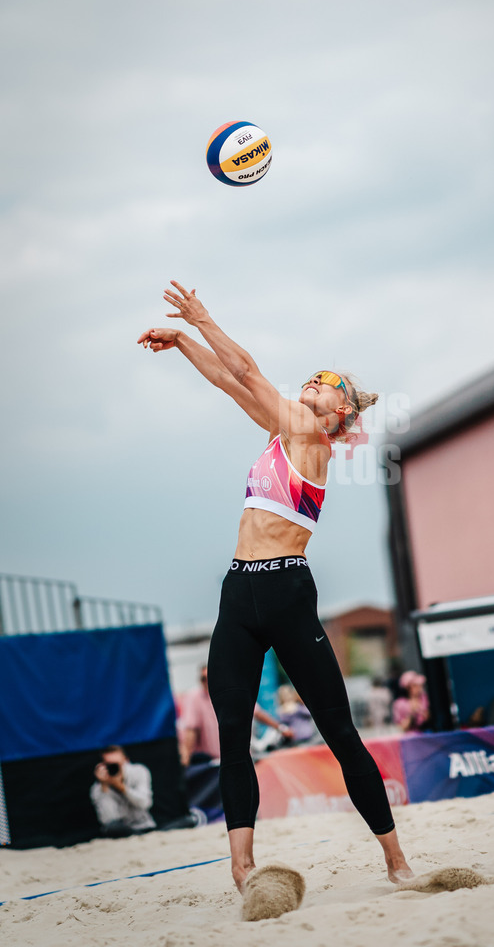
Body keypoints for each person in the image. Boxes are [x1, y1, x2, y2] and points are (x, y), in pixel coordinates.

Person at [138, 281, 414, 892]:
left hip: (287, 591)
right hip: (238, 594)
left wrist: (201, 318)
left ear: (340, 414)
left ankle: (396, 861)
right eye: (312, 377)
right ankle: (243, 869)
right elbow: (229, 381)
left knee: (340, 732)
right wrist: (183, 341)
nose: (313, 383)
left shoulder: (312, 440)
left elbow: (247, 368)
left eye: (326, 384)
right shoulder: (279, 433)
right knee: (231, 737)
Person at [180, 664, 292, 766]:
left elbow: (257, 713)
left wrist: (280, 728)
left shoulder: (232, 690)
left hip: (240, 757)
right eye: (203, 679)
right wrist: (186, 757)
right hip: (214, 762)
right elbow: (191, 729)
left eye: (209, 677)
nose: (207, 682)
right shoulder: (195, 697)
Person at [90, 745, 155, 837]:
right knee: (113, 827)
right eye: (110, 765)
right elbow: (108, 821)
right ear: (103, 766)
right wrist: (105, 788)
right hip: (120, 832)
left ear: (127, 761)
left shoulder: (139, 772)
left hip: (144, 826)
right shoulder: (98, 787)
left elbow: (145, 804)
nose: (114, 768)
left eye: (117, 764)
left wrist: (122, 788)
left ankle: (138, 834)